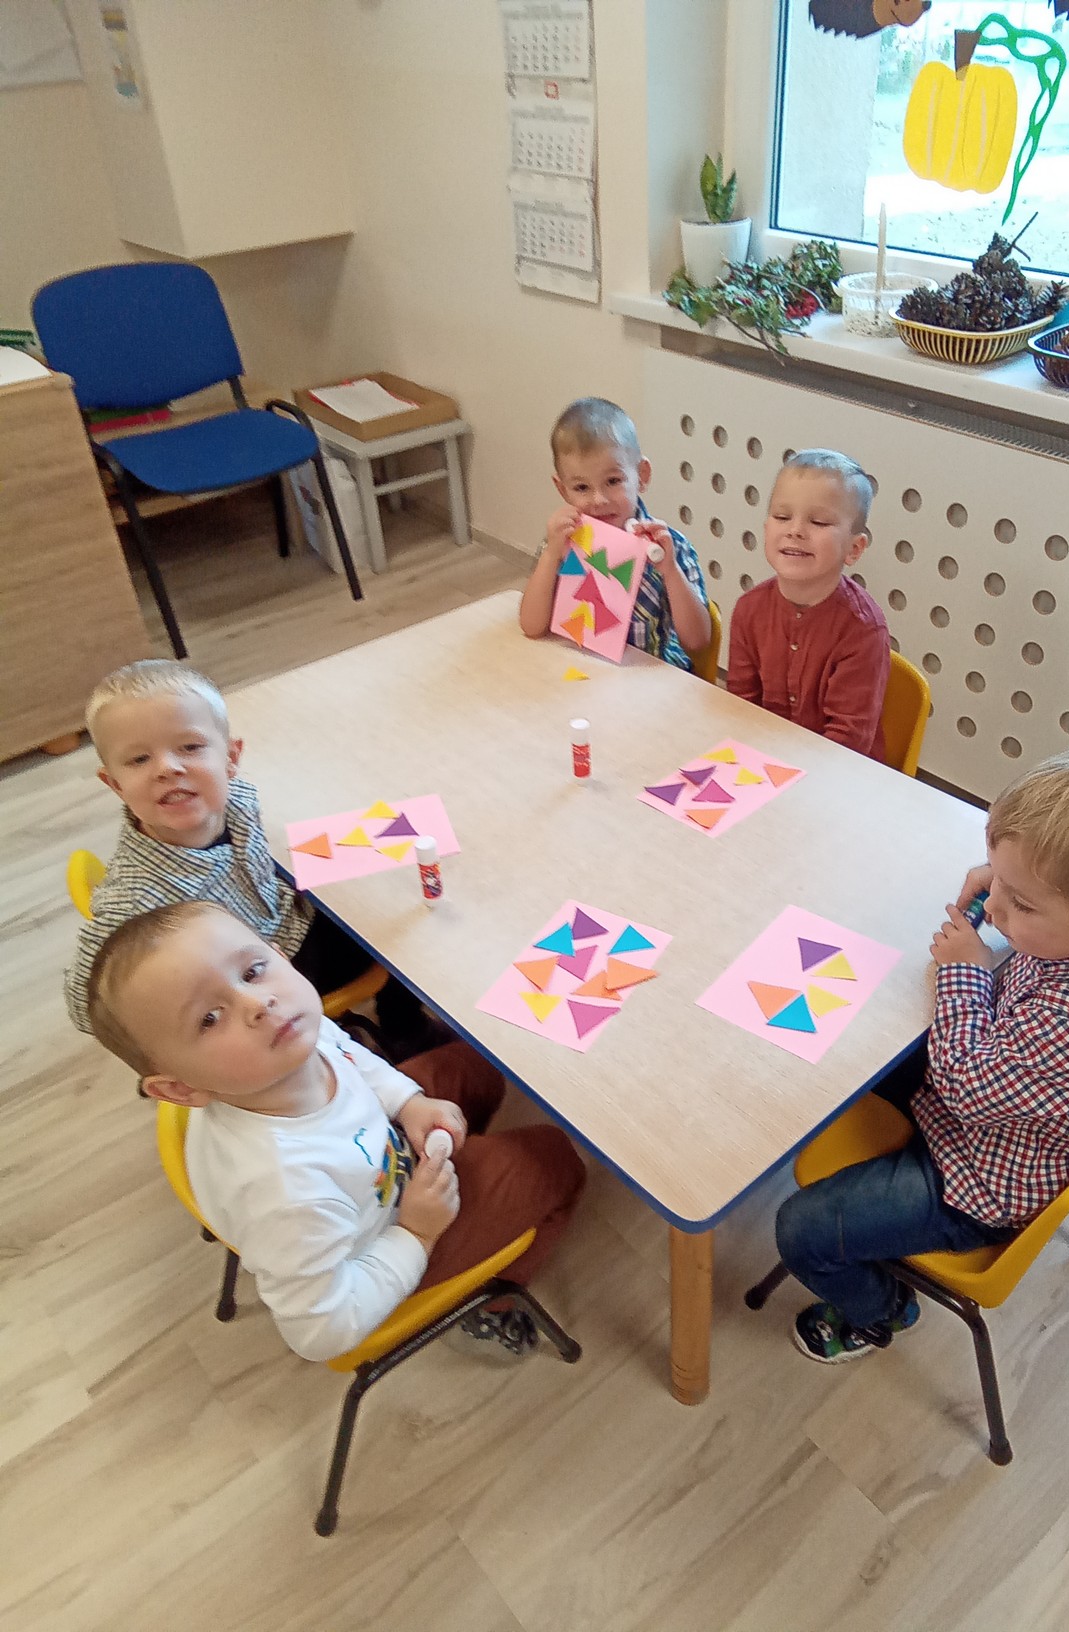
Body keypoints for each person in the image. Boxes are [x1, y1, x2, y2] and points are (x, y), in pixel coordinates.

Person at [774, 741, 1069, 1363]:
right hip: (993, 1098)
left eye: (1021, 903)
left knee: (803, 1230)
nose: (996, 905)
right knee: (855, 1038)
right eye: (996, 878)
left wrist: (967, 971)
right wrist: (1010, 883)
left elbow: (965, 1089)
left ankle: (884, 1313)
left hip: (980, 1180)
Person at [86, 902, 586, 1361]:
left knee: (477, 1067)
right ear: (180, 1088)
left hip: (384, 1166)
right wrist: (417, 1233)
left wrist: (407, 1101)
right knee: (554, 1162)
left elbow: (348, 1055)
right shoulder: (285, 1193)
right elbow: (320, 1334)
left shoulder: (288, 1032)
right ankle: (492, 1304)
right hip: (387, 1243)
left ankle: (468, 1169)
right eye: (210, 1019)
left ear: (278, 955)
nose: (257, 1002)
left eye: (253, 970)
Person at [65, 660, 437, 1060]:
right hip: (261, 977)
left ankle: (398, 1023)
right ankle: (402, 1031)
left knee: (390, 902)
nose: (168, 768)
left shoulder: (237, 800)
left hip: (289, 916)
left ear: (231, 759)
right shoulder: (136, 900)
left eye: (190, 747)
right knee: (401, 942)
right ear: (115, 784)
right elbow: (84, 1005)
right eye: (139, 759)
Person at [518, 397, 711, 669]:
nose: (599, 499)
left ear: (642, 475)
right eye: (581, 488)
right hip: (577, 669)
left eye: (613, 481)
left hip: (644, 678)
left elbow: (698, 641)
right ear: (562, 489)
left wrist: (670, 571)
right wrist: (550, 555)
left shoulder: (671, 547)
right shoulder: (562, 543)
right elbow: (531, 626)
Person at [726, 449, 890, 760]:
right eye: (782, 517)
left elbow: (847, 741)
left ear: (854, 549)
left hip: (835, 771)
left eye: (818, 521)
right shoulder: (748, 609)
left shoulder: (863, 629)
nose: (795, 530)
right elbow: (740, 707)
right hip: (763, 763)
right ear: (766, 528)